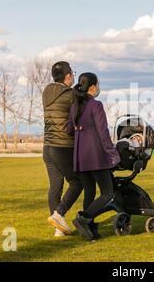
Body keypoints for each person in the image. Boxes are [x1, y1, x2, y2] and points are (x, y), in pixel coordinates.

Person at [68, 73, 121, 240]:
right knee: (107, 193)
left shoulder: (75, 106)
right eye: (97, 84)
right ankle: (83, 219)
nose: (98, 87)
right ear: (92, 87)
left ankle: (89, 230)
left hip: (79, 156)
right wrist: (113, 154)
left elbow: (69, 130)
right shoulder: (96, 105)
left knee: (89, 193)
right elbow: (103, 133)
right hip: (95, 156)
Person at [43, 61, 83, 237]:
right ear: (68, 76)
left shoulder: (46, 92)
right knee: (77, 182)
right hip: (62, 146)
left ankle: (58, 229)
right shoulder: (70, 95)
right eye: (72, 74)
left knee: (55, 187)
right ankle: (59, 214)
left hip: (47, 147)